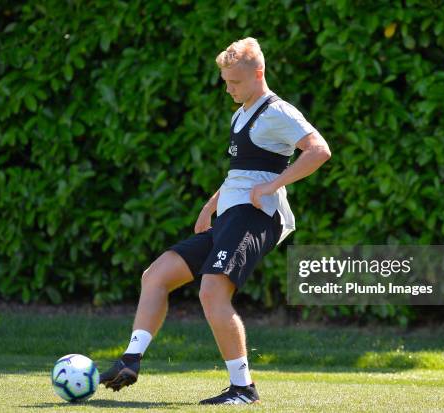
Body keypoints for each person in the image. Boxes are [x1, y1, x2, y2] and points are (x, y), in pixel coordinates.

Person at [100, 37, 331, 405]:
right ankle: (131, 359)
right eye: (225, 81)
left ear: (259, 73)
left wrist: (274, 184)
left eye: (235, 82)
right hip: (229, 215)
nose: (228, 88)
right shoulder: (239, 114)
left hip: (256, 217)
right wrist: (210, 206)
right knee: (156, 275)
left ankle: (243, 389)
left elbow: (319, 150)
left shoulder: (278, 111)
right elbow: (239, 175)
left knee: (212, 291)